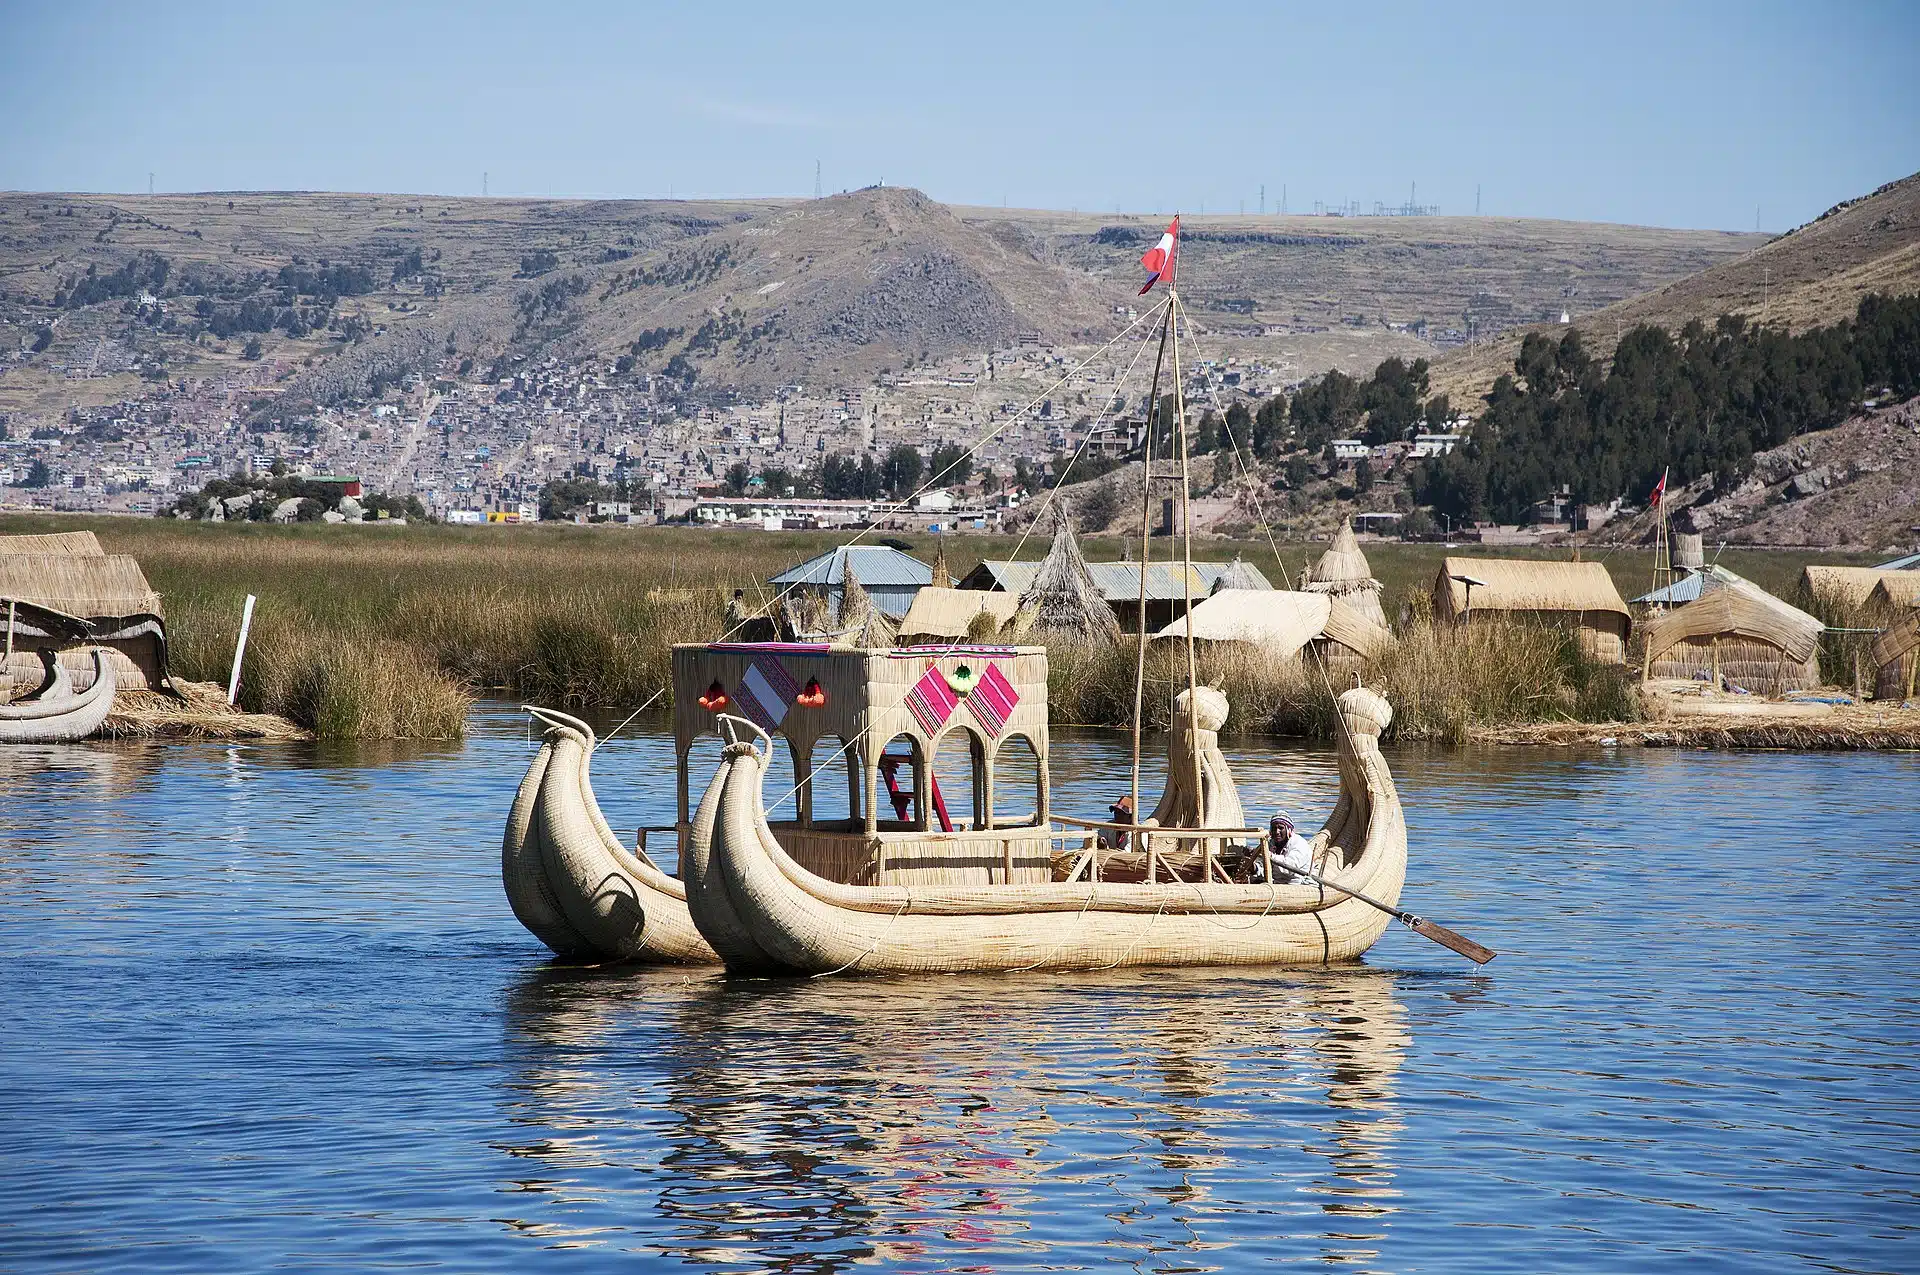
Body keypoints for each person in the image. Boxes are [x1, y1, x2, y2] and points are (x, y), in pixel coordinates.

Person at [1263, 812, 1315, 883]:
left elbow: (1289, 868)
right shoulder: (1270, 843)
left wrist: (1270, 856)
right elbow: (1262, 867)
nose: (1277, 832)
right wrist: (1254, 867)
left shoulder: (1299, 843)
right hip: (1275, 881)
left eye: (1281, 828)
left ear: (1288, 830)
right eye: (1274, 828)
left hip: (1296, 883)